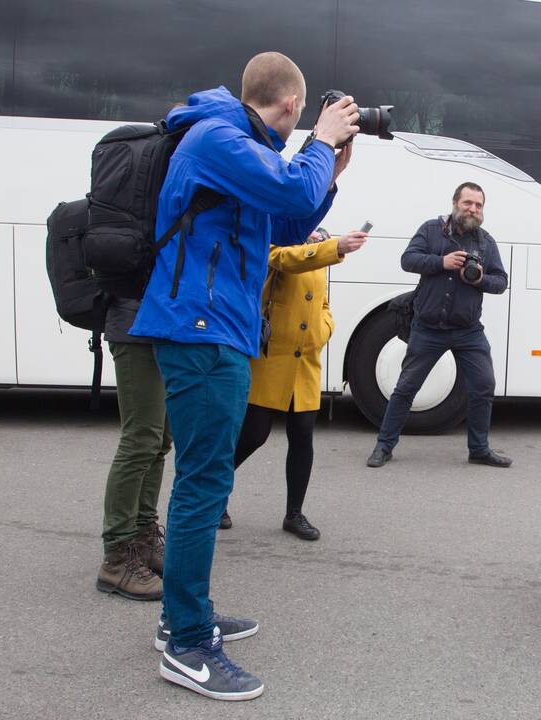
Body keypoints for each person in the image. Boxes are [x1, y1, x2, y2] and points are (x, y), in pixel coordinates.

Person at [129, 51, 359, 701]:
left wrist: (329, 174)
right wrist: (319, 142)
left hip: (217, 329)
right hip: (202, 331)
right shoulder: (219, 136)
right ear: (291, 106)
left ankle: (183, 614)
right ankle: (187, 644)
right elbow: (288, 189)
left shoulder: (236, 146)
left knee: (206, 477)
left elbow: (285, 219)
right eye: (304, 115)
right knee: (204, 484)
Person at [219, 226, 367, 537]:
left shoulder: (319, 238)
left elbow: (322, 303)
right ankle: (213, 495)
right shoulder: (273, 233)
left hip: (306, 359)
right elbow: (286, 260)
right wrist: (335, 247)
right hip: (272, 355)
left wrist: (322, 329)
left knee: (302, 437)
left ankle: (294, 514)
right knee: (253, 435)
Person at [366, 182, 511, 469]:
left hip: (468, 331)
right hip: (428, 327)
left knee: (484, 386)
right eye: (467, 203)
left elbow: (501, 282)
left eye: (478, 205)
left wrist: (480, 279)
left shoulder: (486, 242)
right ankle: (384, 447)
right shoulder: (431, 230)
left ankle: (479, 449)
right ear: (455, 203)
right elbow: (408, 260)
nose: (472, 209)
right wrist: (441, 262)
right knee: (406, 388)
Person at [94, 297, 169, 601]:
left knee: (160, 440)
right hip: (135, 325)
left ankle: (143, 537)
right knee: (140, 440)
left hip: (162, 324)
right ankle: (117, 559)